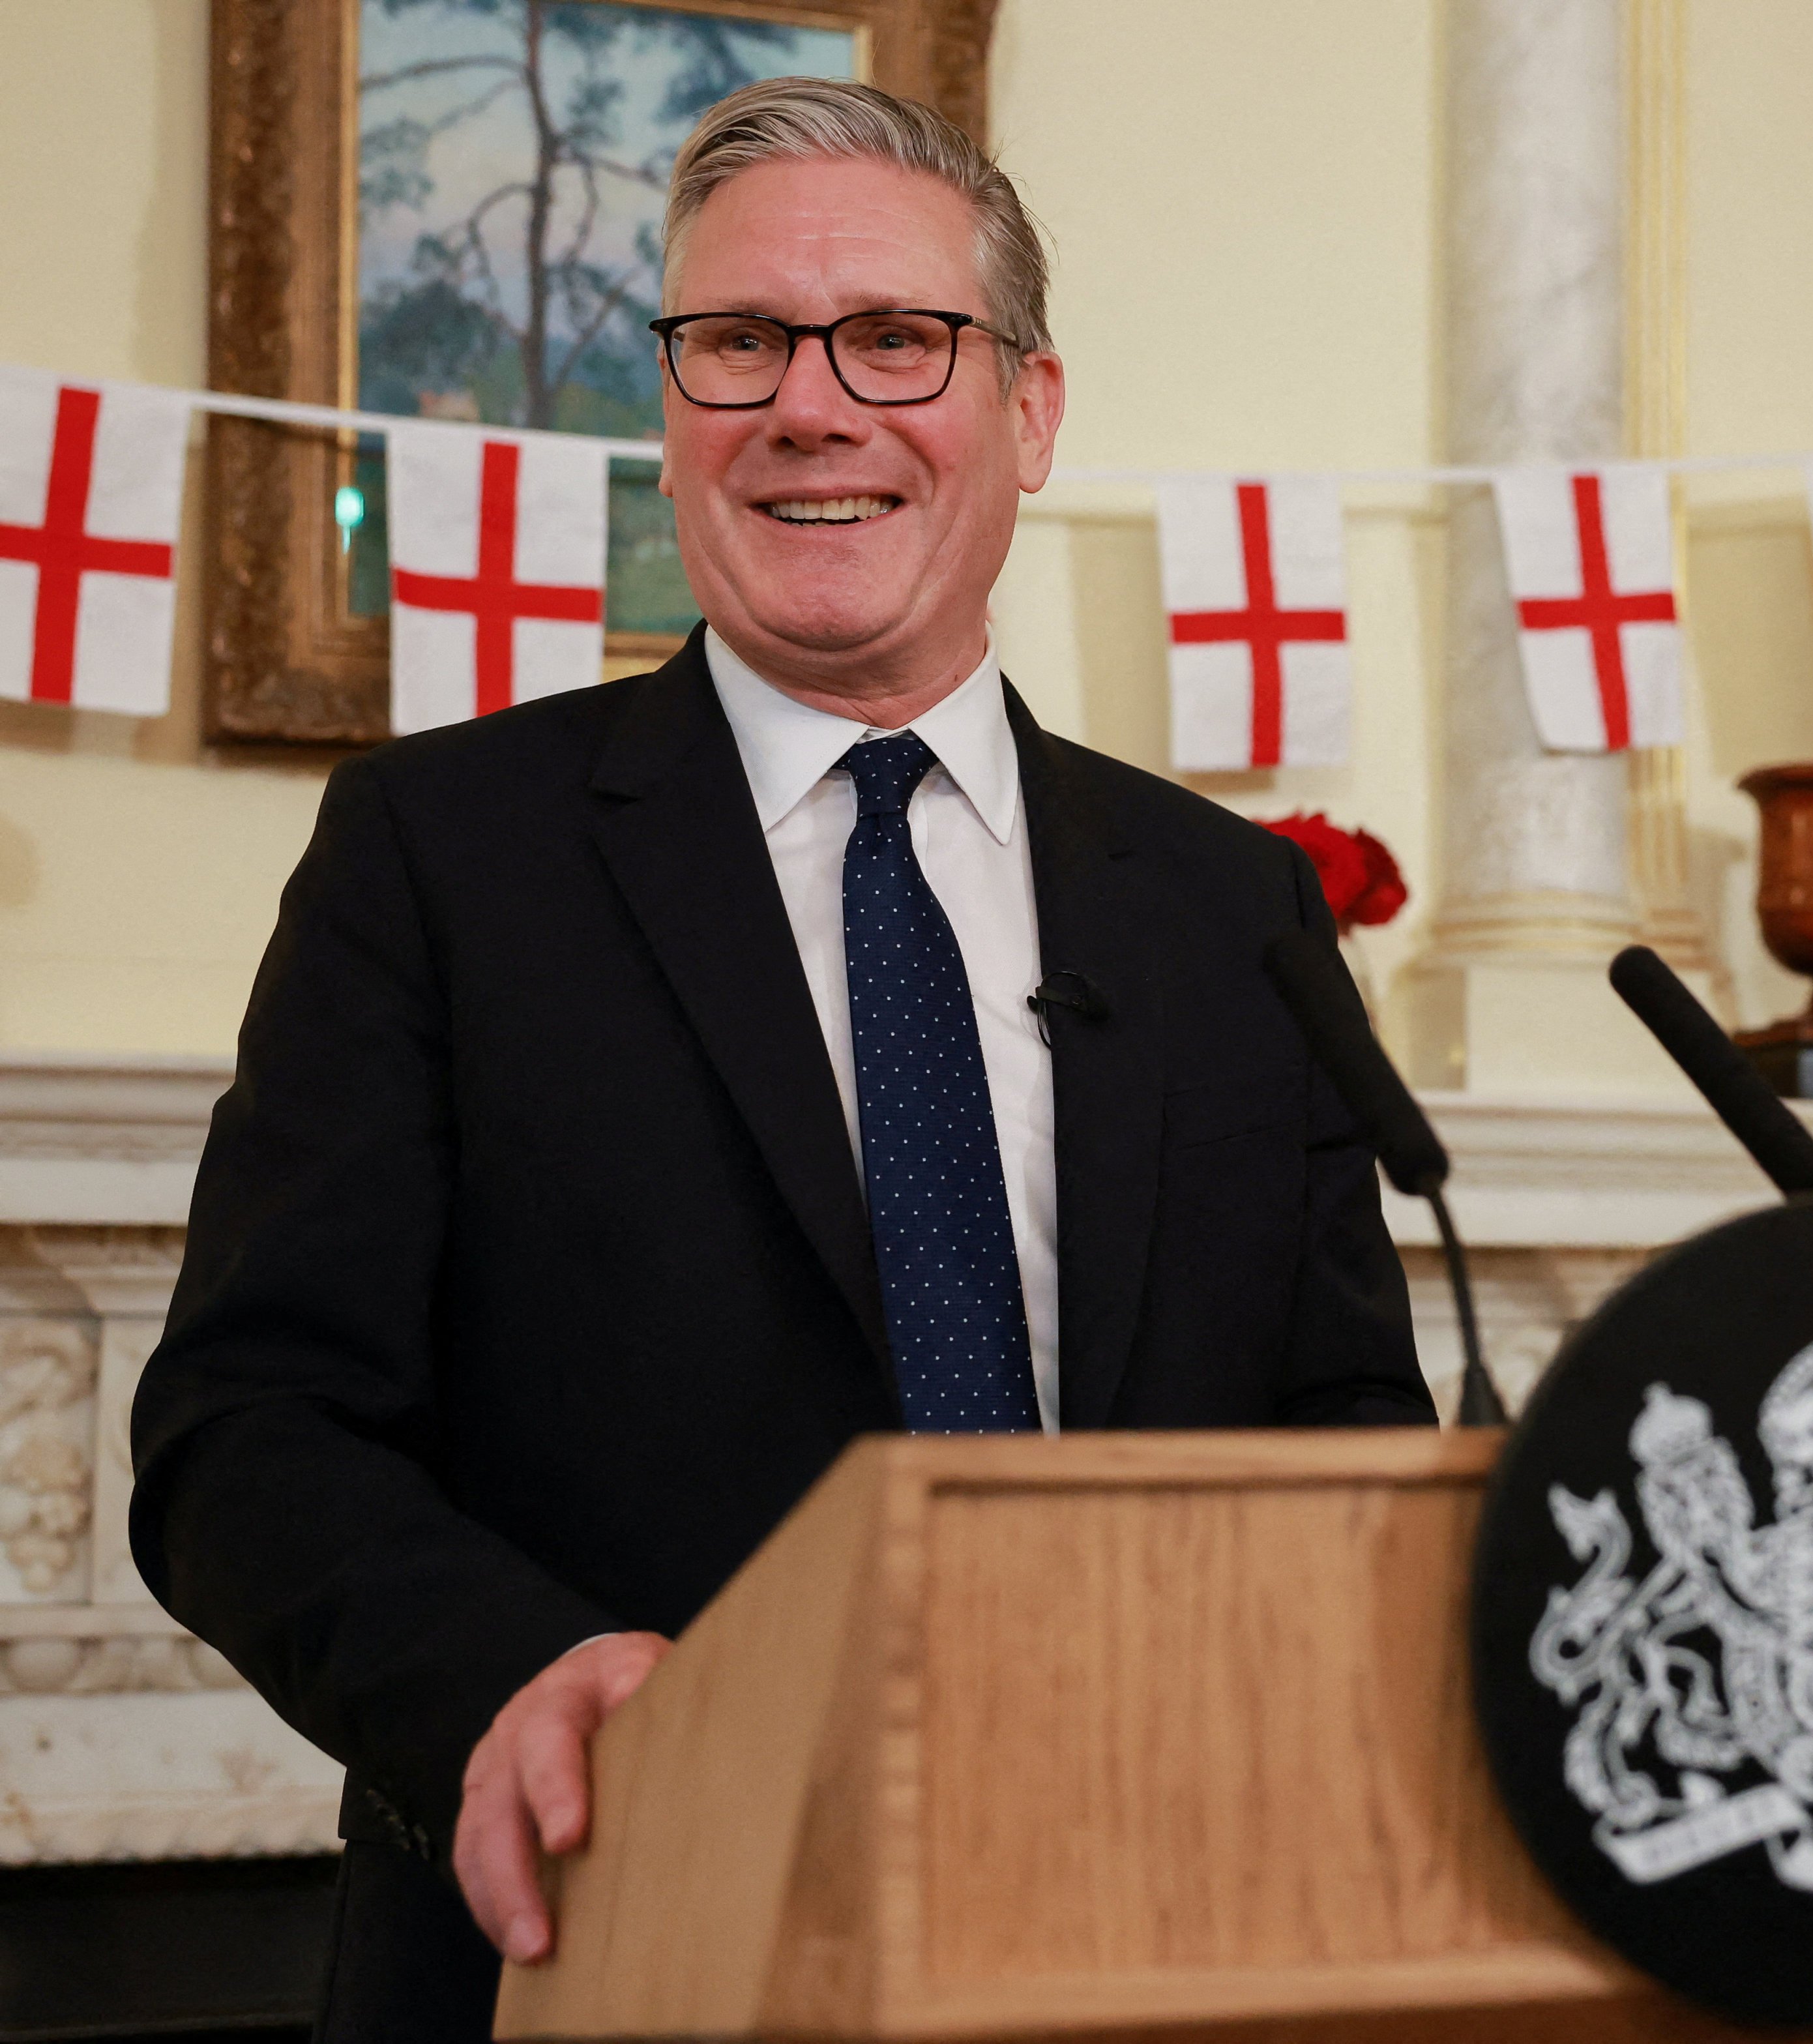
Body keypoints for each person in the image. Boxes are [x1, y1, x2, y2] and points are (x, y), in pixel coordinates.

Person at [129, 78, 1435, 2044]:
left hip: (1146, 1961)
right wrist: (510, 1679)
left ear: (1033, 410)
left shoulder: (1229, 906)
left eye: (898, 338)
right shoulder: (440, 856)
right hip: (603, 1948)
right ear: (671, 414)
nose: (811, 406)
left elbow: (1346, 1441)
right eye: (738, 341)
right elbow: (244, 1432)